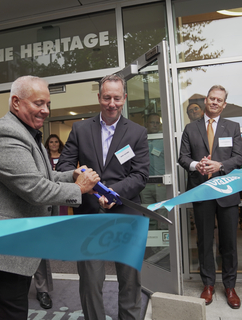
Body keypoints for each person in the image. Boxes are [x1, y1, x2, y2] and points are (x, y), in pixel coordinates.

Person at [0, 75, 100, 320]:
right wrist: (80, 188)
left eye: (48, 104)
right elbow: (36, 189)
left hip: (11, 249)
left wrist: (70, 175)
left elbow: (43, 175)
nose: (45, 110)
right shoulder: (7, 135)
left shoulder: (28, 132)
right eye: (38, 103)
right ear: (15, 102)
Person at [56, 74, 149, 320]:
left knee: (130, 281)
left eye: (117, 98)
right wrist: (77, 173)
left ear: (124, 98)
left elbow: (140, 175)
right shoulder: (80, 128)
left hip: (126, 215)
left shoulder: (138, 133)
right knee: (90, 282)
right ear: (99, 97)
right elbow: (64, 165)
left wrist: (113, 194)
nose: (112, 103)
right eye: (106, 97)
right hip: (88, 214)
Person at [178, 85, 242, 309]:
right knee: (204, 241)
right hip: (202, 191)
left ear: (224, 104)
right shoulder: (190, 128)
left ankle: (230, 286)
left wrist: (220, 165)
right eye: (211, 98)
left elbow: (238, 158)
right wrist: (198, 166)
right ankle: (208, 285)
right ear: (206, 100)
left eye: (219, 100)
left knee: (229, 244)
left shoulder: (233, 127)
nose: (215, 102)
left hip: (227, 192)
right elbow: (183, 157)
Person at [32, 134, 67, 310]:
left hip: (40, 202)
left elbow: (49, 175)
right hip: (12, 208)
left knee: (39, 250)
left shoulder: (40, 150)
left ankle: (42, 289)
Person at [140, 113, 168, 229]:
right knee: (148, 213)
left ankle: (165, 244)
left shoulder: (163, 140)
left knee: (162, 213)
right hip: (145, 184)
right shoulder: (141, 139)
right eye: (152, 122)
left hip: (160, 184)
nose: (155, 125)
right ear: (147, 124)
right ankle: (152, 244)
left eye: (157, 123)